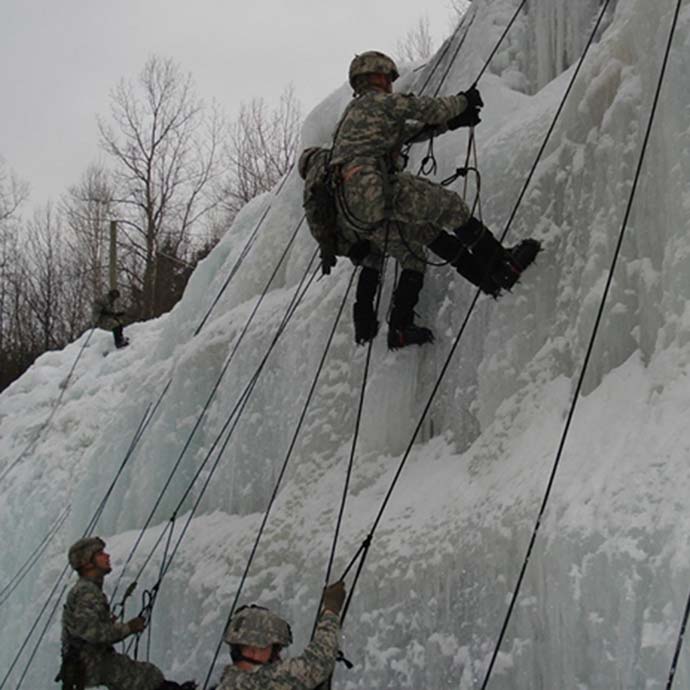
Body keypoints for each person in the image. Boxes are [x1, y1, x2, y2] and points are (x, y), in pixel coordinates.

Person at [324, 50, 540, 349]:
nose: (389, 84)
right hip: (374, 188)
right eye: (387, 78)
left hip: (356, 211)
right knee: (449, 206)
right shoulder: (376, 101)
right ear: (375, 76)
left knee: (427, 235)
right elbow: (423, 109)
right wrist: (463, 102)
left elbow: (408, 132)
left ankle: (484, 282)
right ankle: (501, 265)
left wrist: (452, 124)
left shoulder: (352, 117)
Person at [58, 537, 194, 690]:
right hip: (92, 663)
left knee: (145, 675)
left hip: (86, 662)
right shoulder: (87, 592)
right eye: (100, 553)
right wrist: (128, 627)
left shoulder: (87, 589)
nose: (107, 556)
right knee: (149, 676)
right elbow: (93, 632)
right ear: (88, 563)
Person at [217, 581, 346, 690]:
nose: (278, 657)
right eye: (273, 649)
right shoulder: (257, 681)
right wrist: (331, 609)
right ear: (253, 651)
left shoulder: (230, 682)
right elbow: (317, 664)